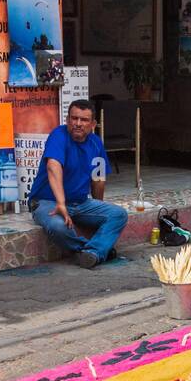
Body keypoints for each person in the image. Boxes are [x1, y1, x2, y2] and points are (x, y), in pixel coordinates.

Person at [29, 99, 127, 268]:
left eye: (84, 120)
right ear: (67, 120)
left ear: (93, 124)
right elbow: (53, 166)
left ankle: (93, 252)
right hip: (47, 202)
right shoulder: (58, 135)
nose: (78, 124)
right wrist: (61, 203)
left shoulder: (96, 143)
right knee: (58, 226)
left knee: (118, 214)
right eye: (74, 118)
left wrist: (98, 205)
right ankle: (92, 251)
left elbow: (98, 179)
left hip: (80, 203)